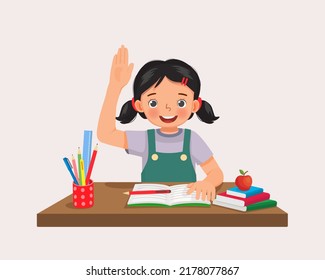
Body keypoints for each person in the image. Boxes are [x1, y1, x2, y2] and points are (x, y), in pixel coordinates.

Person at [97, 45, 223, 201]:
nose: (168, 109)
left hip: (186, 204)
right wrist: (114, 87)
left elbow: (216, 172)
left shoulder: (193, 140)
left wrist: (208, 183)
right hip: (150, 206)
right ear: (139, 105)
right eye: (154, 102)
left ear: (194, 105)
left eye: (181, 102)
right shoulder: (144, 140)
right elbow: (105, 134)